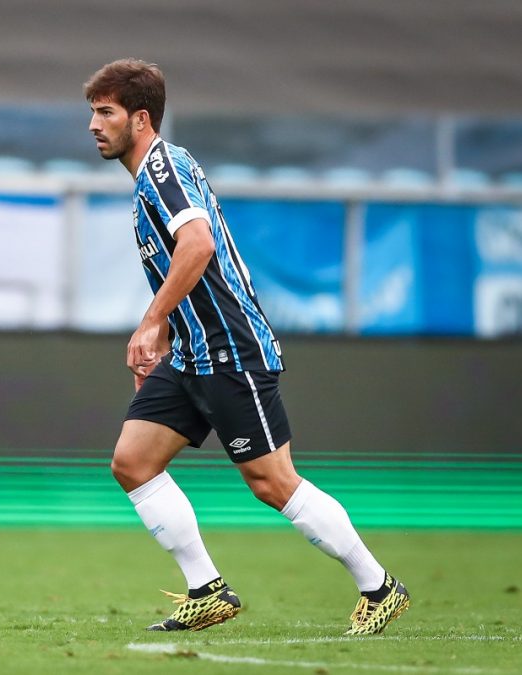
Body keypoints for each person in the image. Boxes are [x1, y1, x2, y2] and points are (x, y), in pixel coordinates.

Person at [83, 58, 409, 635]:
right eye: (92, 112)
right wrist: (166, 334)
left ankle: (379, 586)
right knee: (132, 463)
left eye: (105, 112)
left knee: (273, 481)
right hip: (192, 352)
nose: (93, 124)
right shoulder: (150, 177)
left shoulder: (163, 168)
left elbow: (198, 245)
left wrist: (152, 320)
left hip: (231, 348)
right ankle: (207, 590)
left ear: (140, 118)